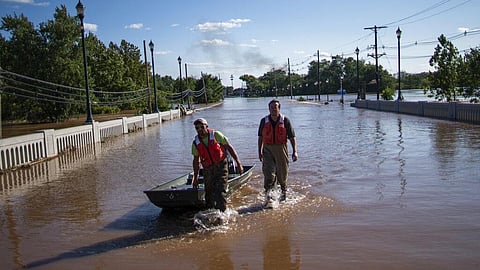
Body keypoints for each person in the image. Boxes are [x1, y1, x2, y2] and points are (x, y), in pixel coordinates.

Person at [191, 118, 243, 212]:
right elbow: (196, 161)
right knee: (209, 194)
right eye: (197, 128)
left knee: (220, 192)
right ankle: (210, 213)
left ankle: (223, 214)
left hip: (221, 166)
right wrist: (195, 177)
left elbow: (229, 148)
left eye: (202, 127)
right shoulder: (196, 143)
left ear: (206, 126)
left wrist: (238, 163)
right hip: (207, 169)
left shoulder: (216, 135)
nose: (200, 130)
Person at [258, 99, 298, 204]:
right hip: (267, 149)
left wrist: (295, 151)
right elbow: (260, 137)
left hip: (281, 148)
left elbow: (292, 137)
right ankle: (268, 197)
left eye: (275, 107)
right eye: (271, 108)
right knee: (268, 173)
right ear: (269, 109)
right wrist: (259, 151)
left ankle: (283, 193)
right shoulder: (264, 121)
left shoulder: (285, 121)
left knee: (282, 173)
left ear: (279, 108)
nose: (273, 109)